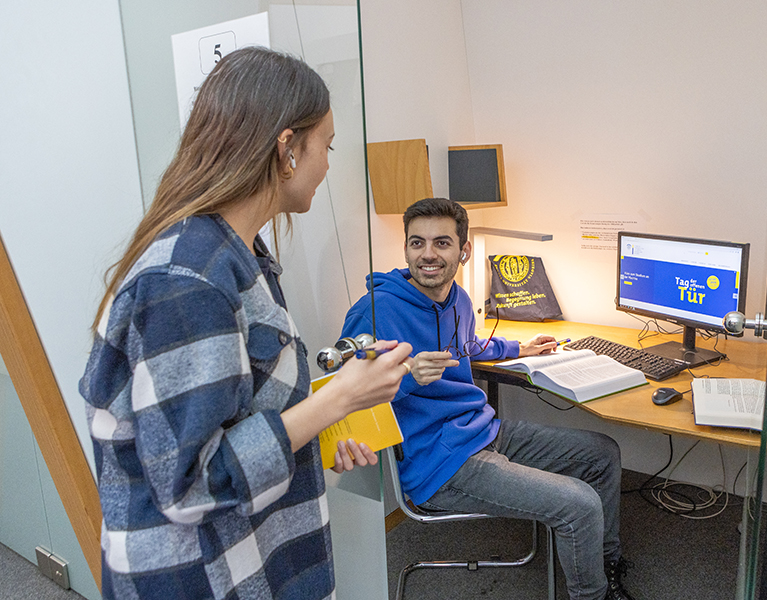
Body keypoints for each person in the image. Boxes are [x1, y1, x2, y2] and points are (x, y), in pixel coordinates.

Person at [79, 47, 412, 600]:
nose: (329, 164)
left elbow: (238, 412)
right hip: (202, 578)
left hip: (257, 555)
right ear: (287, 149)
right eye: (325, 146)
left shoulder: (241, 254)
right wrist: (336, 402)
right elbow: (189, 485)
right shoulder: (186, 281)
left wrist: (320, 431)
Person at [341, 198, 637, 600]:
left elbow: (468, 346)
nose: (428, 254)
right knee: (580, 504)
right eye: (417, 243)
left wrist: (519, 348)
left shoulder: (458, 300)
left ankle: (601, 563)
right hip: (441, 462)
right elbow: (347, 393)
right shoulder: (375, 312)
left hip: (484, 431)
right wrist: (406, 376)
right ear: (407, 248)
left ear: (462, 251)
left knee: (602, 453)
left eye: (441, 243)